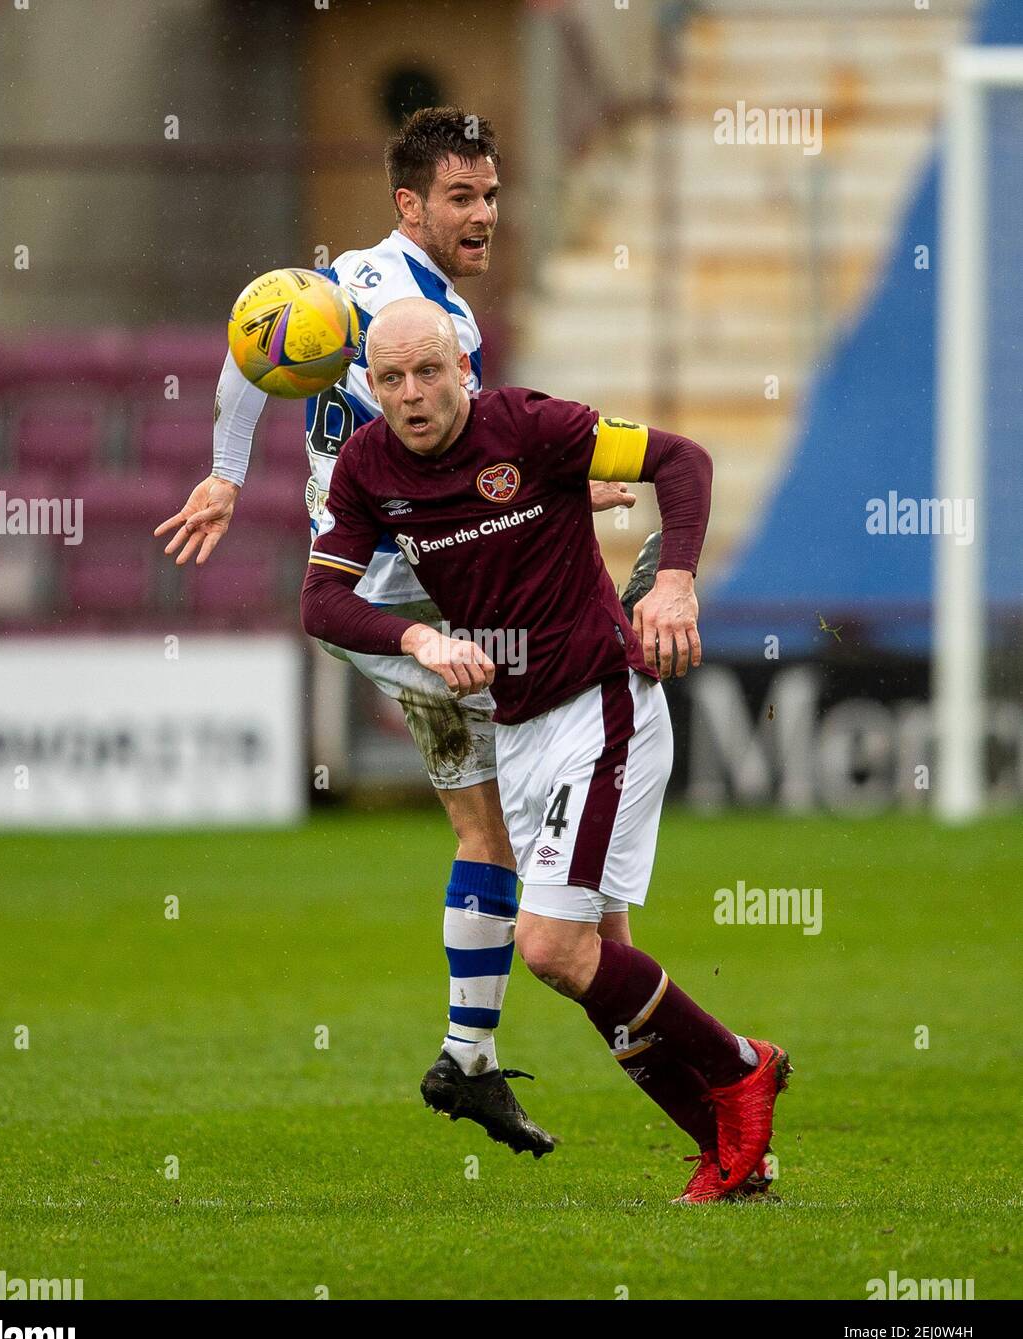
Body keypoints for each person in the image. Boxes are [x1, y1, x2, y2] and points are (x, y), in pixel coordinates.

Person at [156, 108, 652, 1162]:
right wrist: (226, 471)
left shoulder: (342, 291)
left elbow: (251, 350)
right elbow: (260, 360)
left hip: (396, 598)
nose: (485, 214)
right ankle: (606, 989)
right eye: (462, 198)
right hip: (399, 601)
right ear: (409, 205)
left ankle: (472, 1056)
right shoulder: (401, 311)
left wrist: (230, 472)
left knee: (497, 834)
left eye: (491, 194)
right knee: (563, 757)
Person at [299, 297, 791, 1203]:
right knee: (596, 963)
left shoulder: (529, 424)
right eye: (392, 378)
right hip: (517, 730)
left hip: (601, 705)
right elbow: (321, 601)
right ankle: (730, 1155)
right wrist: (416, 640)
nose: (411, 394)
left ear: (464, 372)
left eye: (429, 372)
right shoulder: (367, 467)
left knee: (551, 947)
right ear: (371, 385)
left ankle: (741, 1065)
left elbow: (680, 459)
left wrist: (674, 580)